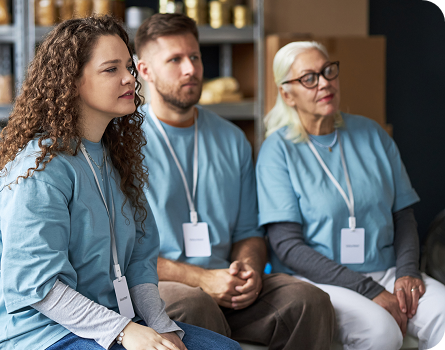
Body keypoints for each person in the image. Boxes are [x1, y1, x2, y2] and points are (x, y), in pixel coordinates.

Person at [0, 16, 242, 350]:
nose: (130, 78)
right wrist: (125, 330)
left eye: (129, 67)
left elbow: (138, 263)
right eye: (111, 69)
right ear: (71, 82)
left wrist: (161, 325)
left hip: (106, 320)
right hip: (36, 333)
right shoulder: (37, 171)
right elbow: (38, 286)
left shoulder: (117, 157)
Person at [134, 13, 335, 349]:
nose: (191, 69)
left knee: (308, 300)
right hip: (161, 286)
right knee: (194, 304)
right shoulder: (124, 142)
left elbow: (249, 232)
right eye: (175, 60)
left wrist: (250, 271)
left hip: (227, 283)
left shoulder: (231, 138)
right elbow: (124, 253)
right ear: (145, 71)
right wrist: (202, 279)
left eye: (195, 57)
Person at [256, 41, 445, 350]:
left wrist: (408, 272)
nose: (325, 83)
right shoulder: (277, 151)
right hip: (316, 280)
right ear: (286, 94)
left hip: (386, 270)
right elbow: (287, 246)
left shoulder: (372, 134)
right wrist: (366, 288)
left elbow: (403, 216)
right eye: (309, 78)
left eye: (328, 71)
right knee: (381, 332)